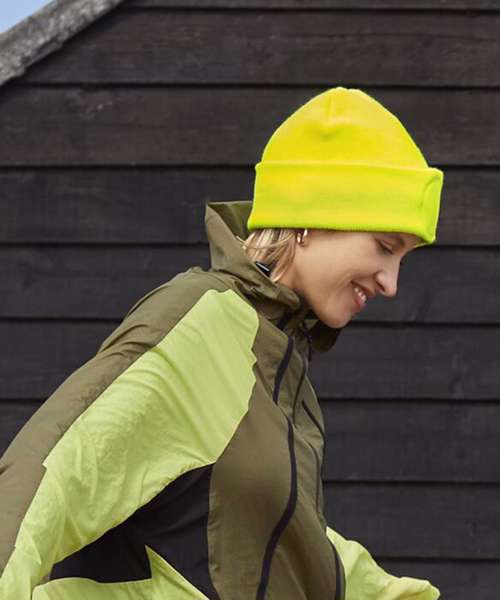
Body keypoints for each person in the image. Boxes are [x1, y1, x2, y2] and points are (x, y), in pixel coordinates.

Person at [0, 86, 444, 599]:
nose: (391, 283)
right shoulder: (199, 322)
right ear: (311, 219)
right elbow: (46, 475)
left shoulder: (279, 364)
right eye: (385, 247)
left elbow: (276, 543)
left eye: (403, 259)